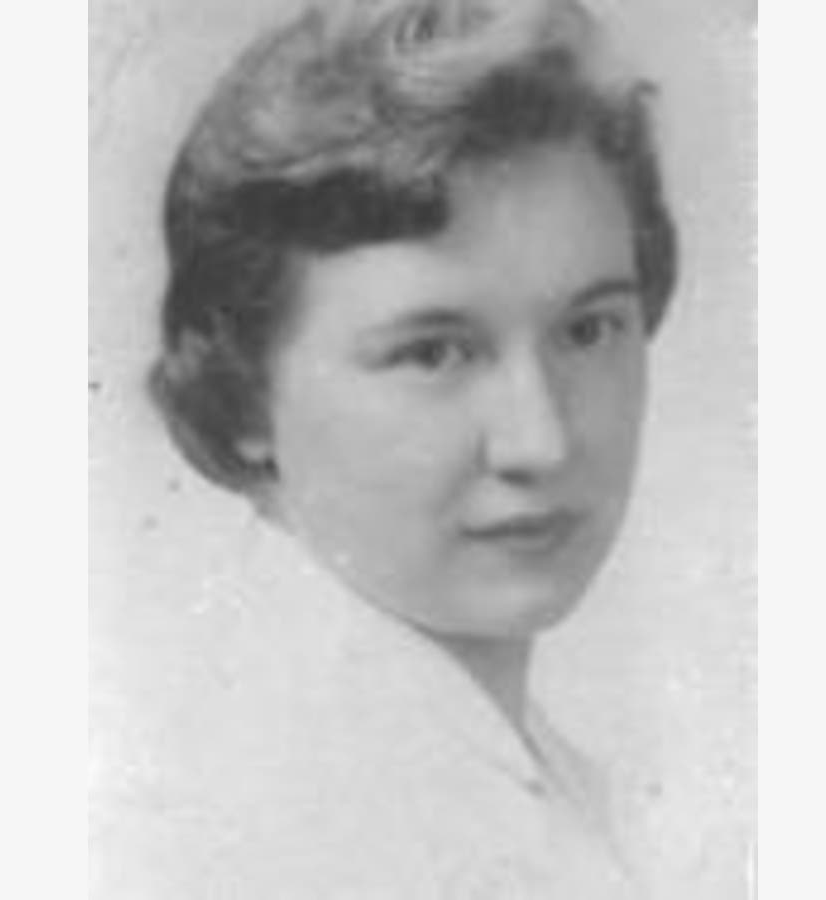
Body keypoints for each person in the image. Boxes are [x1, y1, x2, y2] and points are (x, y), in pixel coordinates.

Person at [109, 0, 678, 895]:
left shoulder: (520, 776)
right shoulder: (271, 817)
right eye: (433, 353)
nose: (540, 441)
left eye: (588, 330)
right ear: (246, 389)